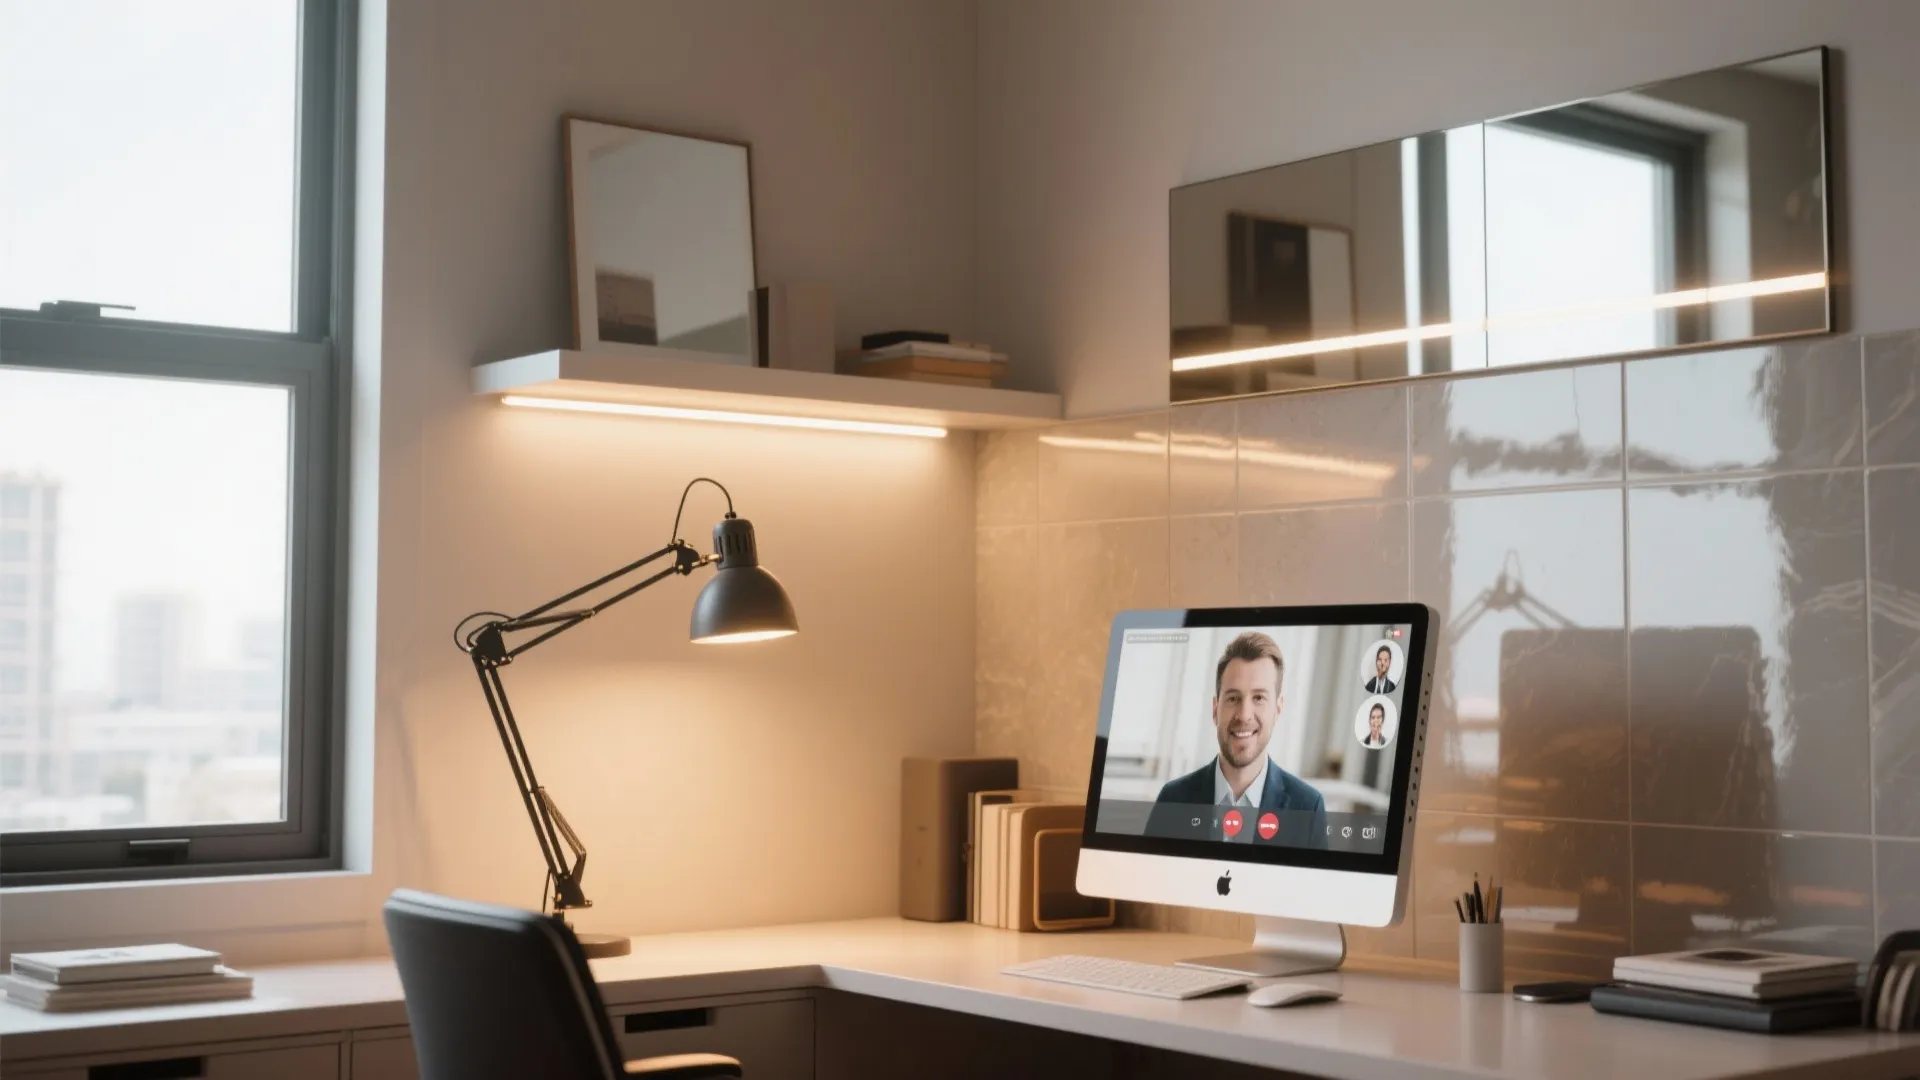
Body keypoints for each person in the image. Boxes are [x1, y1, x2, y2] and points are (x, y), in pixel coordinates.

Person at [1144, 631, 1327, 848]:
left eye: (1258, 698)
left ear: (1277, 710)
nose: (1244, 714)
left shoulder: (1307, 809)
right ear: (1215, 709)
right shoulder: (1172, 799)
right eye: (1233, 698)